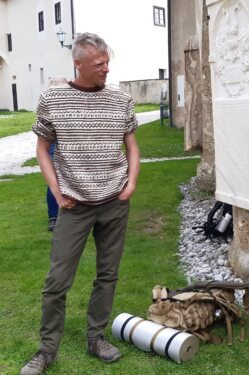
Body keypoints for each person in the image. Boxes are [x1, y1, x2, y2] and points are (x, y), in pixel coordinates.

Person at [21, 33, 140, 375]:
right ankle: (46, 352)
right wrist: (57, 194)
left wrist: (130, 184)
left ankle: (96, 337)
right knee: (57, 280)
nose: (106, 68)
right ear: (79, 63)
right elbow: (43, 149)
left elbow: (131, 146)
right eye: (99, 63)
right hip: (73, 205)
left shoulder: (121, 100)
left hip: (114, 201)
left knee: (108, 274)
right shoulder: (53, 99)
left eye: (107, 62)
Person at [45, 76, 68, 232]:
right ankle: (53, 217)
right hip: (54, 145)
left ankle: (73, 213)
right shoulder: (48, 106)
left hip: (70, 146)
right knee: (53, 180)